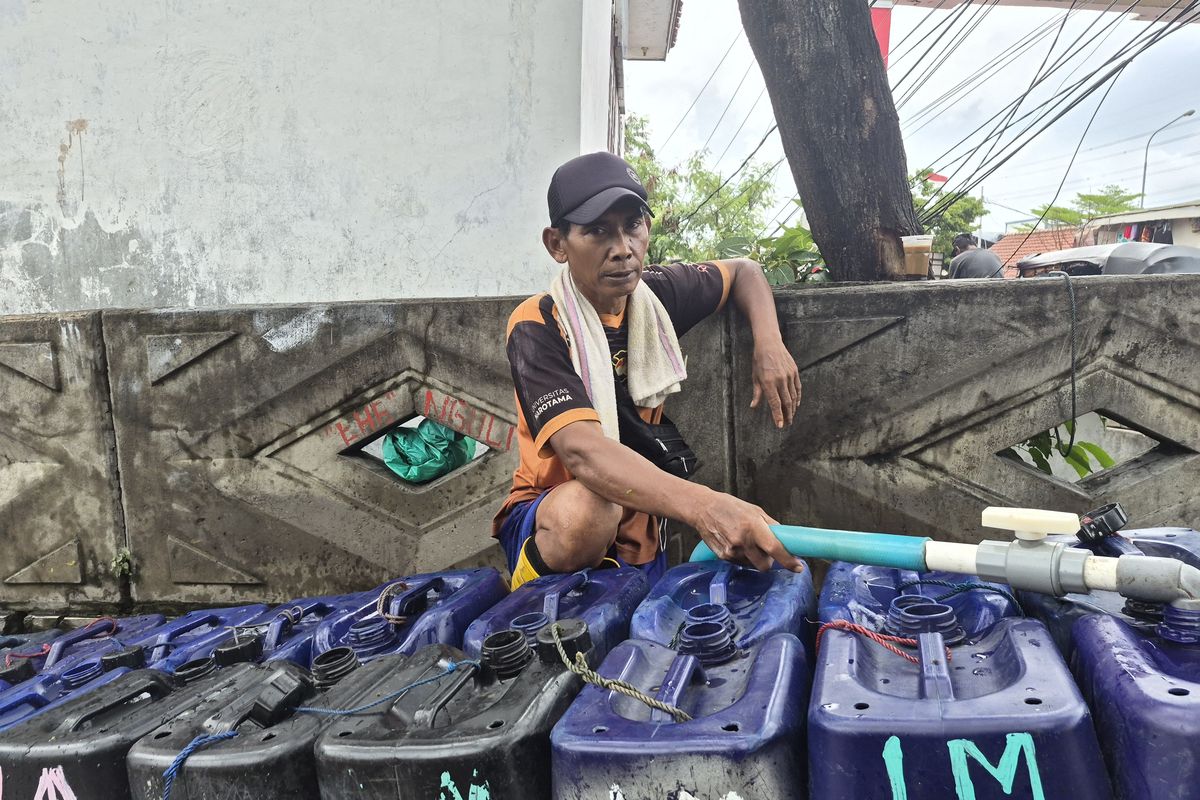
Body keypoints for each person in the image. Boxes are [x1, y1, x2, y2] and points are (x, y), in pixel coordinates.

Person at [492, 151, 806, 590]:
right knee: (589, 510)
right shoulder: (538, 323)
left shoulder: (655, 298)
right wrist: (706, 507)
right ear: (557, 244)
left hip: (639, 525)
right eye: (598, 230)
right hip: (553, 520)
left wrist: (769, 345)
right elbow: (582, 452)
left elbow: (744, 272)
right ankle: (521, 593)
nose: (622, 248)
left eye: (632, 225)